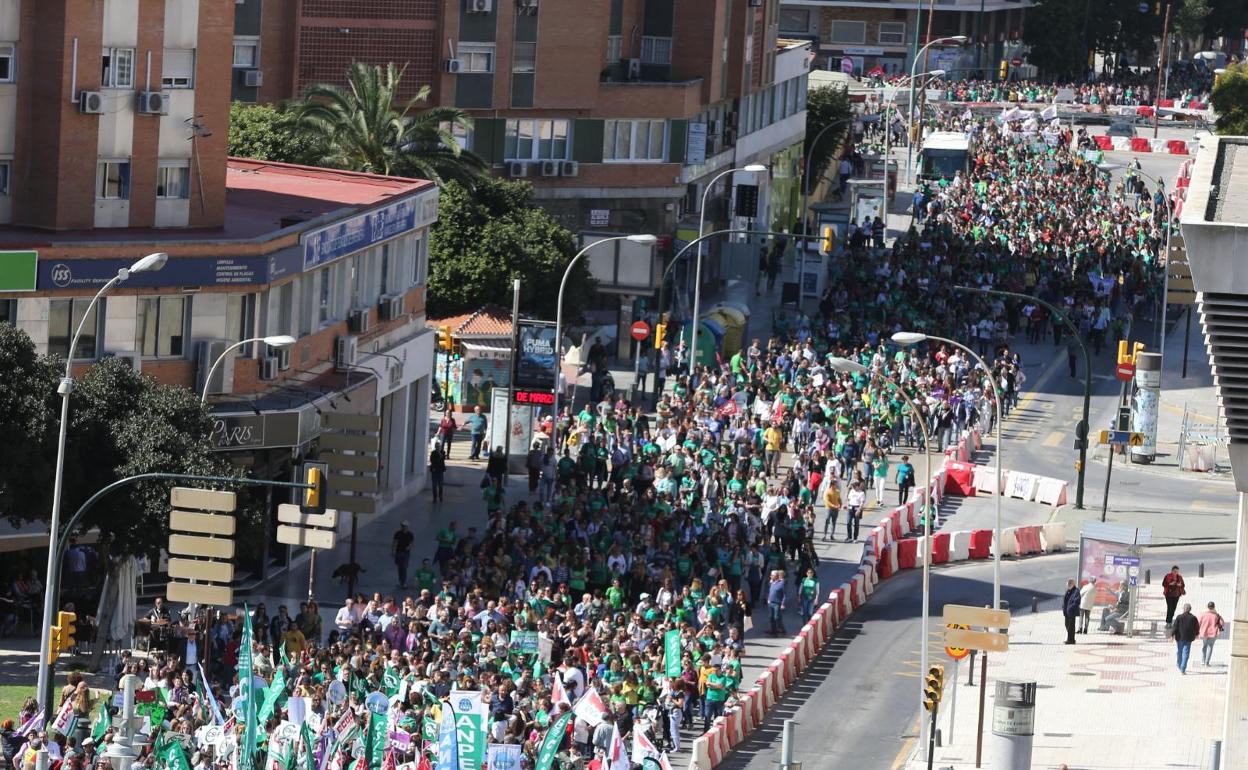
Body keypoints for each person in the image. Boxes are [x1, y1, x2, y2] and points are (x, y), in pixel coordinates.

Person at [1171, 603, 1199, 674]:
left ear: (1183, 609)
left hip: (1179, 637)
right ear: (1190, 609)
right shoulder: (1193, 618)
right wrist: (1196, 634)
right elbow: (1196, 627)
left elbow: (1175, 627)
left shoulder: (1179, 617)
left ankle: (1179, 664)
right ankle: (1183, 668)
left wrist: (1172, 635)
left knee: (1180, 651)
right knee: (1186, 653)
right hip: (1188, 638)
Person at [1199, 601, 1225, 667]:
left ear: (1207, 607)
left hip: (1204, 633)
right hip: (1213, 633)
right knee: (1210, 647)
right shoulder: (1216, 615)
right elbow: (1222, 623)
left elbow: (1198, 623)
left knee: (1204, 646)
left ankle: (1202, 661)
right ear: (1214, 607)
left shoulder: (1203, 614)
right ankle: (1207, 663)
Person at [392, 521, 415, 589]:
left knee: (404, 567)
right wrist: (393, 551)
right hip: (398, 552)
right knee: (399, 567)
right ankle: (401, 581)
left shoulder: (410, 534)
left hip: (406, 553)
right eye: (403, 526)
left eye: (405, 526)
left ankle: (404, 582)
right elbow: (394, 542)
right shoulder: (398, 533)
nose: (404, 527)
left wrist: (409, 547)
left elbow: (412, 543)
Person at [767, 571, 787, 636]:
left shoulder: (781, 583)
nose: (770, 576)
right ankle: (773, 631)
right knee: (771, 617)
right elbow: (770, 591)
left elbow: (784, 594)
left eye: (772, 575)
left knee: (776, 618)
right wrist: (768, 599)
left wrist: (783, 604)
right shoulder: (772, 583)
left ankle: (782, 630)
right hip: (770, 603)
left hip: (777, 603)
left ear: (776, 576)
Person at [1062, 579, 1079, 644]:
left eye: (1069, 585)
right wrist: (1063, 607)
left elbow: (1077, 601)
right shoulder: (1068, 591)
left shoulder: (1076, 591)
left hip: (1072, 612)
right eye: (1067, 585)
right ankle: (1071, 638)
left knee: (1071, 627)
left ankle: (1070, 640)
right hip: (1066, 612)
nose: (1068, 586)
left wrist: (1071, 608)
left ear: (1072, 584)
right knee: (1067, 625)